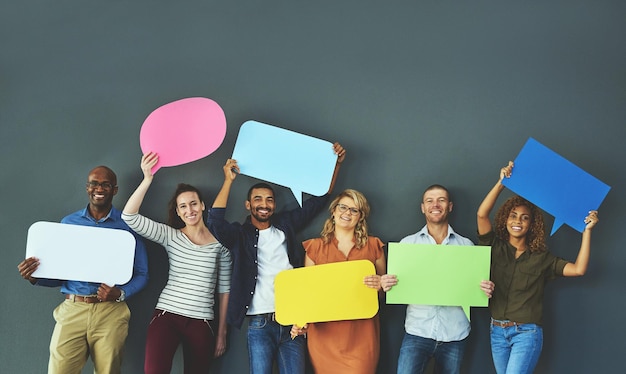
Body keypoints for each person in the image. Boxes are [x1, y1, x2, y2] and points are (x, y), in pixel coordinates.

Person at [207, 142, 345, 374]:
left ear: (274, 205)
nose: (264, 204)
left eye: (269, 200)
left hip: (293, 318)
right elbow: (215, 222)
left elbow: (321, 198)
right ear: (248, 205)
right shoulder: (240, 235)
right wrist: (229, 180)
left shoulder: (286, 225)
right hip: (260, 322)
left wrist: (336, 164)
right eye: (258, 199)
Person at [17, 165, 149, 374]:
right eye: (94, 183)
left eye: (106, 184)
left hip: (111, 312)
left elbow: (142, 273)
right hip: (73, 308)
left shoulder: (129, 226)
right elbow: (60, 273)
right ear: (87, 188)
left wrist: (121, 293)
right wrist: (35, 277)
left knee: (108, 371)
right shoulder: (68, 223)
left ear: (115, 190)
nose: (99, 188)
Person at [476, 161, 599, 374]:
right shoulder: (495, 247)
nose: (518, 221)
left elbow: (579, 269)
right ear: (505, 219)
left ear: (532, 225)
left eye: (524, 218)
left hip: (526, 333)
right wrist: (501, 183)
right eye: (513, 216)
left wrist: (586, 232)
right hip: (496, 331)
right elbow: (481, 215)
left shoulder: (542, 259)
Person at [121, 152, 232, 374]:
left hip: (202, 322)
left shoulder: (222, 244)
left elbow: (224, 289)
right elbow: (129, 216)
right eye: (183, 207)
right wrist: (147, 179)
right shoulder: (170, 235)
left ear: (202, 206)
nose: (189, 210)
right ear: (178, 212)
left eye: (193, 204)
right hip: (167, 316)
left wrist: (221, 332)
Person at [380, 184, 483, 374]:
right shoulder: (407, 245)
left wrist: (483, 288)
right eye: (430, 201)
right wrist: (387, 283)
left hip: (455, 333)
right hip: (417, 331)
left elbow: (473, 287)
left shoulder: (466, 246)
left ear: (450, 206)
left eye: (441, 200)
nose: (435, 205)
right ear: (423, 207)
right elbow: (397, 284)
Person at [291, 189, 386, 374]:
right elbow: (309, 294)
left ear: (360, 217)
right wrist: (301, 323)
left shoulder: (374, 246)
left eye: (354, 210)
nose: (347, 213)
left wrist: (380, 285)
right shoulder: (315, 248)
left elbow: (382, 294)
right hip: (324, 336)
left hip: (362, 334)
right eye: (343, 207)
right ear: (333, 211)